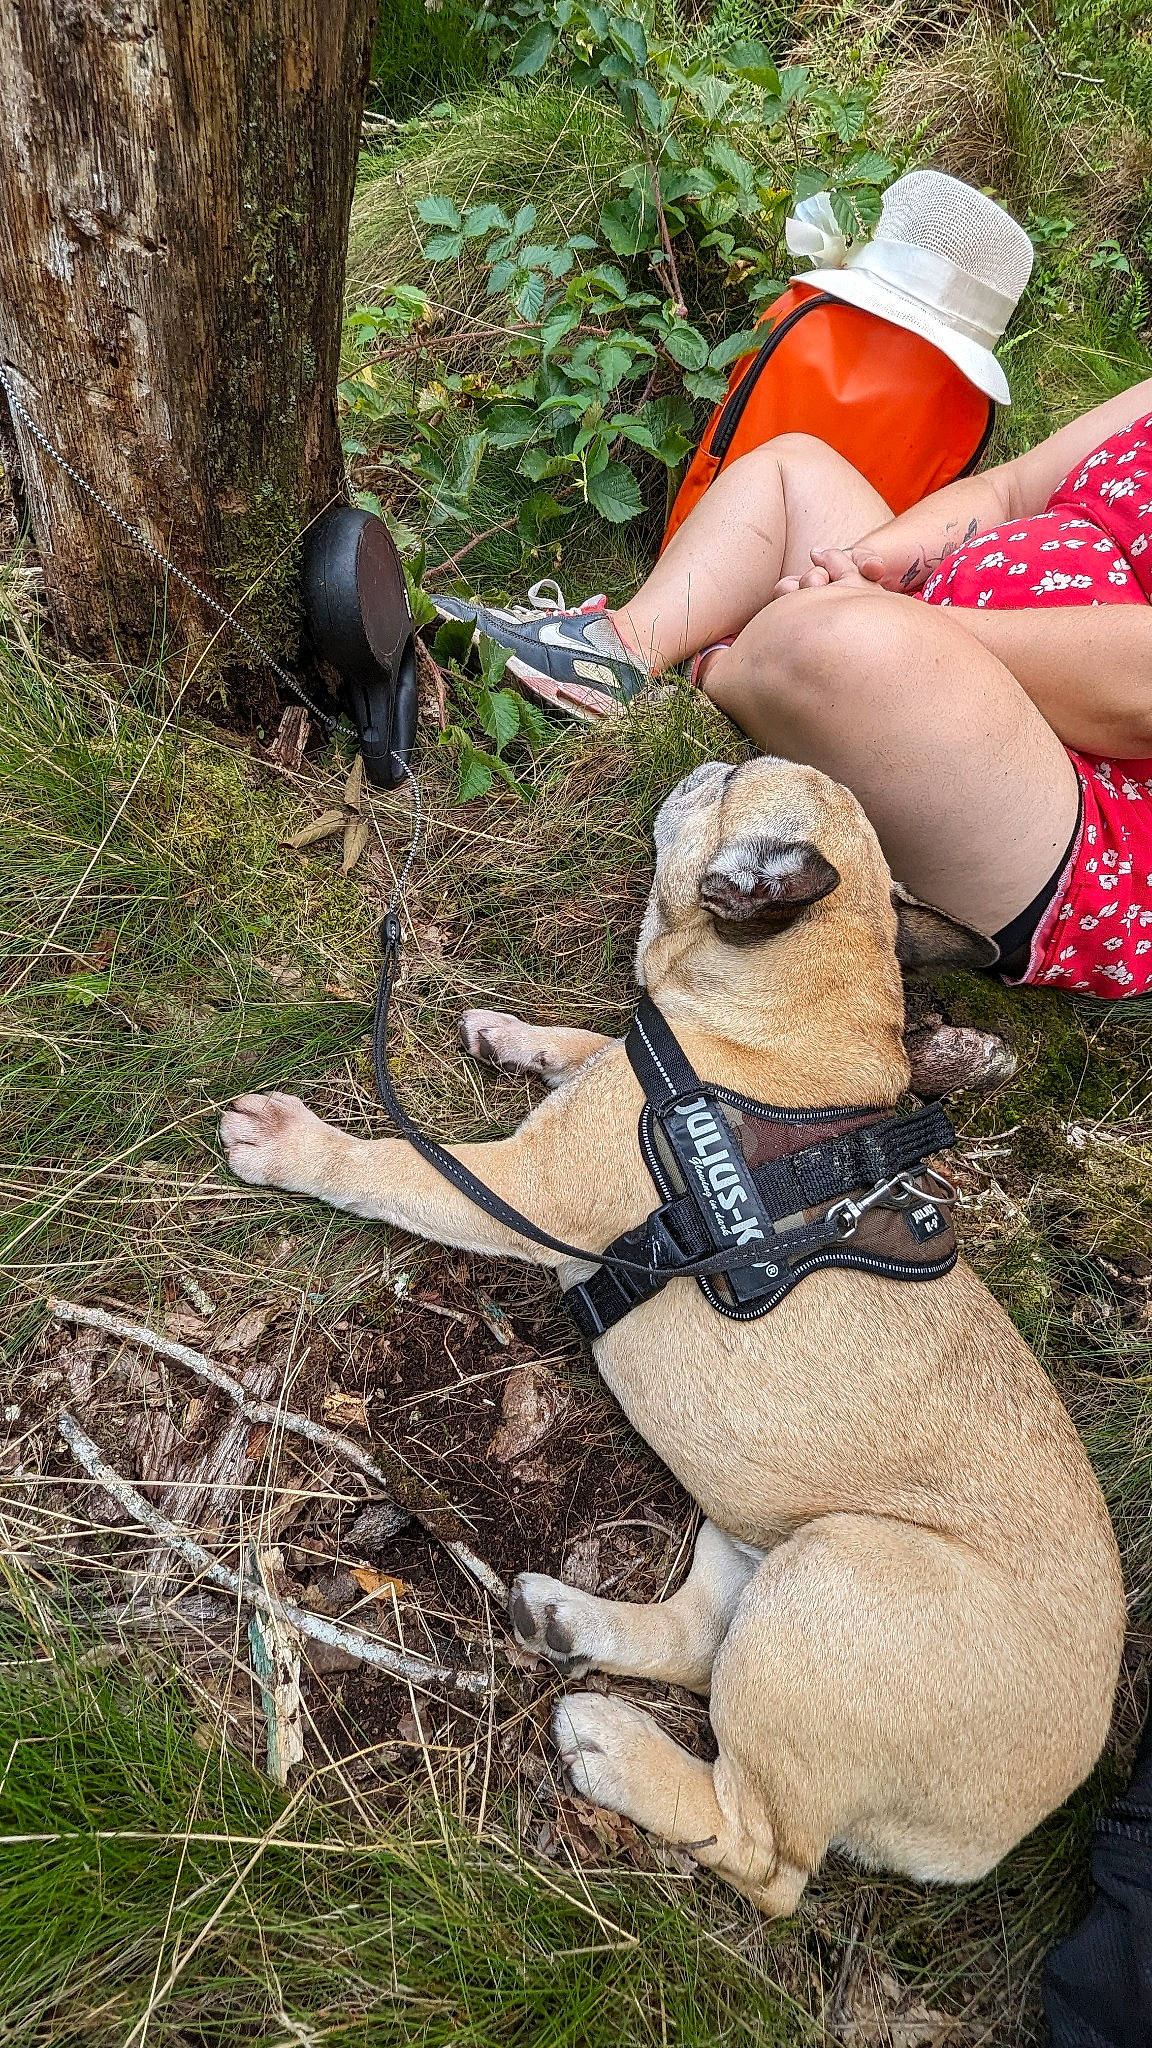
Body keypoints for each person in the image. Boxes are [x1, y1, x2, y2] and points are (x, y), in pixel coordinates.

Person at [436, 199, 1152, 997]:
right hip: (938, 630)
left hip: (1082, 800)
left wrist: (893, 615)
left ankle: (709, 681)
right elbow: (1011, 491)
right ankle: (616, 651)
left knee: (845, 644)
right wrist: (871, 562)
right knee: (795, 469)